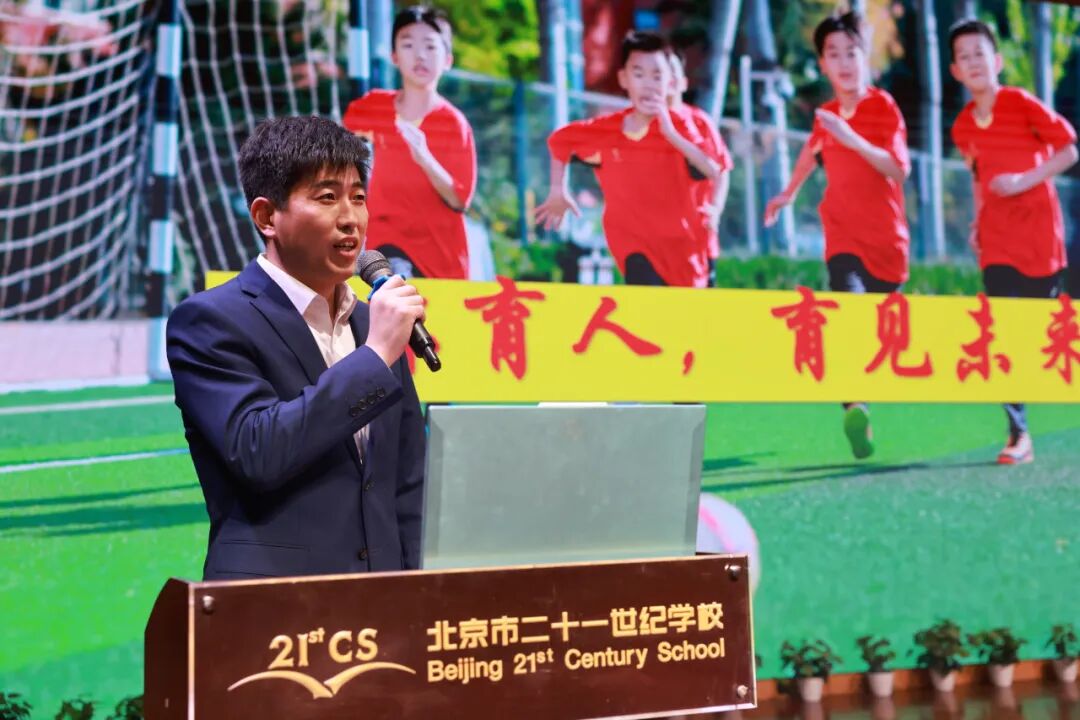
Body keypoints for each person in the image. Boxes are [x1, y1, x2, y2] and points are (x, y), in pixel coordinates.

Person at [166, 116, 427, 580]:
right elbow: (258, 451)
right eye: (327, 197)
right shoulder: (210, 321)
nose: (350, 218)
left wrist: (417, 590)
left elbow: (407, 482)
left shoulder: (373, 323)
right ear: (267, 217)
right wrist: (374, 357)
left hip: (384, 599)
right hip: (274, 599)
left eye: (358, 197)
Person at [763, 12, 912, 460]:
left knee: (875, 337)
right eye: (834, 55)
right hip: (843, 238)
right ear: (823, 65)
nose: (844, 63)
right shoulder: (826, 115)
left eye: (852, 53)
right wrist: (788, 193)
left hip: (887, 243)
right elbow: (812, 152)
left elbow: (898, 169)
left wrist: (853, 140)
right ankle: (855, 409)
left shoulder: (883, 107)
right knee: (847, 320)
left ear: (866, 59)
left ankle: (862, 400)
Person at [948, 19, 1078, 465]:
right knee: (1003, 332)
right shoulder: (962, 127)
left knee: (1037, 337)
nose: (973, 62)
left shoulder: (1021, 104)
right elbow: (978, 177)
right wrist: (977, 222)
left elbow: (1070, 149)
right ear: (956, 71)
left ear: (997, 61)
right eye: (964, 57)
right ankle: (1018, 434)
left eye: (979, 53)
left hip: (1040, 238)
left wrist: (1024, 180)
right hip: (997, 241)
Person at [535, 30, 724, 288]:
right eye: (638, 74)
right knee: (645, 295)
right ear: (623, 79)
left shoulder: (685, 125)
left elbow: (713, 169)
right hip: (634, 243)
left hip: (683, 244)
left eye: (657, 76)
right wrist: (558, 189)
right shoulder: (608, 128)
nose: (648, 84)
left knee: (683, 311)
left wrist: (671, 134)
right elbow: (560, 141)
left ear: (670, 83)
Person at [342, 5, 476, 280]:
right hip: (387, 242)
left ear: (447, 59)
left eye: (430, 46)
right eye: (408, 44)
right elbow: (344, 136)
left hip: (441, 258)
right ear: (394, 56)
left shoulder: (453, 123)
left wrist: (424, 158)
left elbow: (460, 199)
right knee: (390, 279)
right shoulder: (374, 107)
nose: (419, 55)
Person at [665, 48, 734, 286]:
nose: (666, 78)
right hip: (652, 242)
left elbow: (722, 170)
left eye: (672, 71)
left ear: (683, 83)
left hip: (696, 242)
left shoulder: (699, 122)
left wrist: (715, 209)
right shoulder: (637, 124)